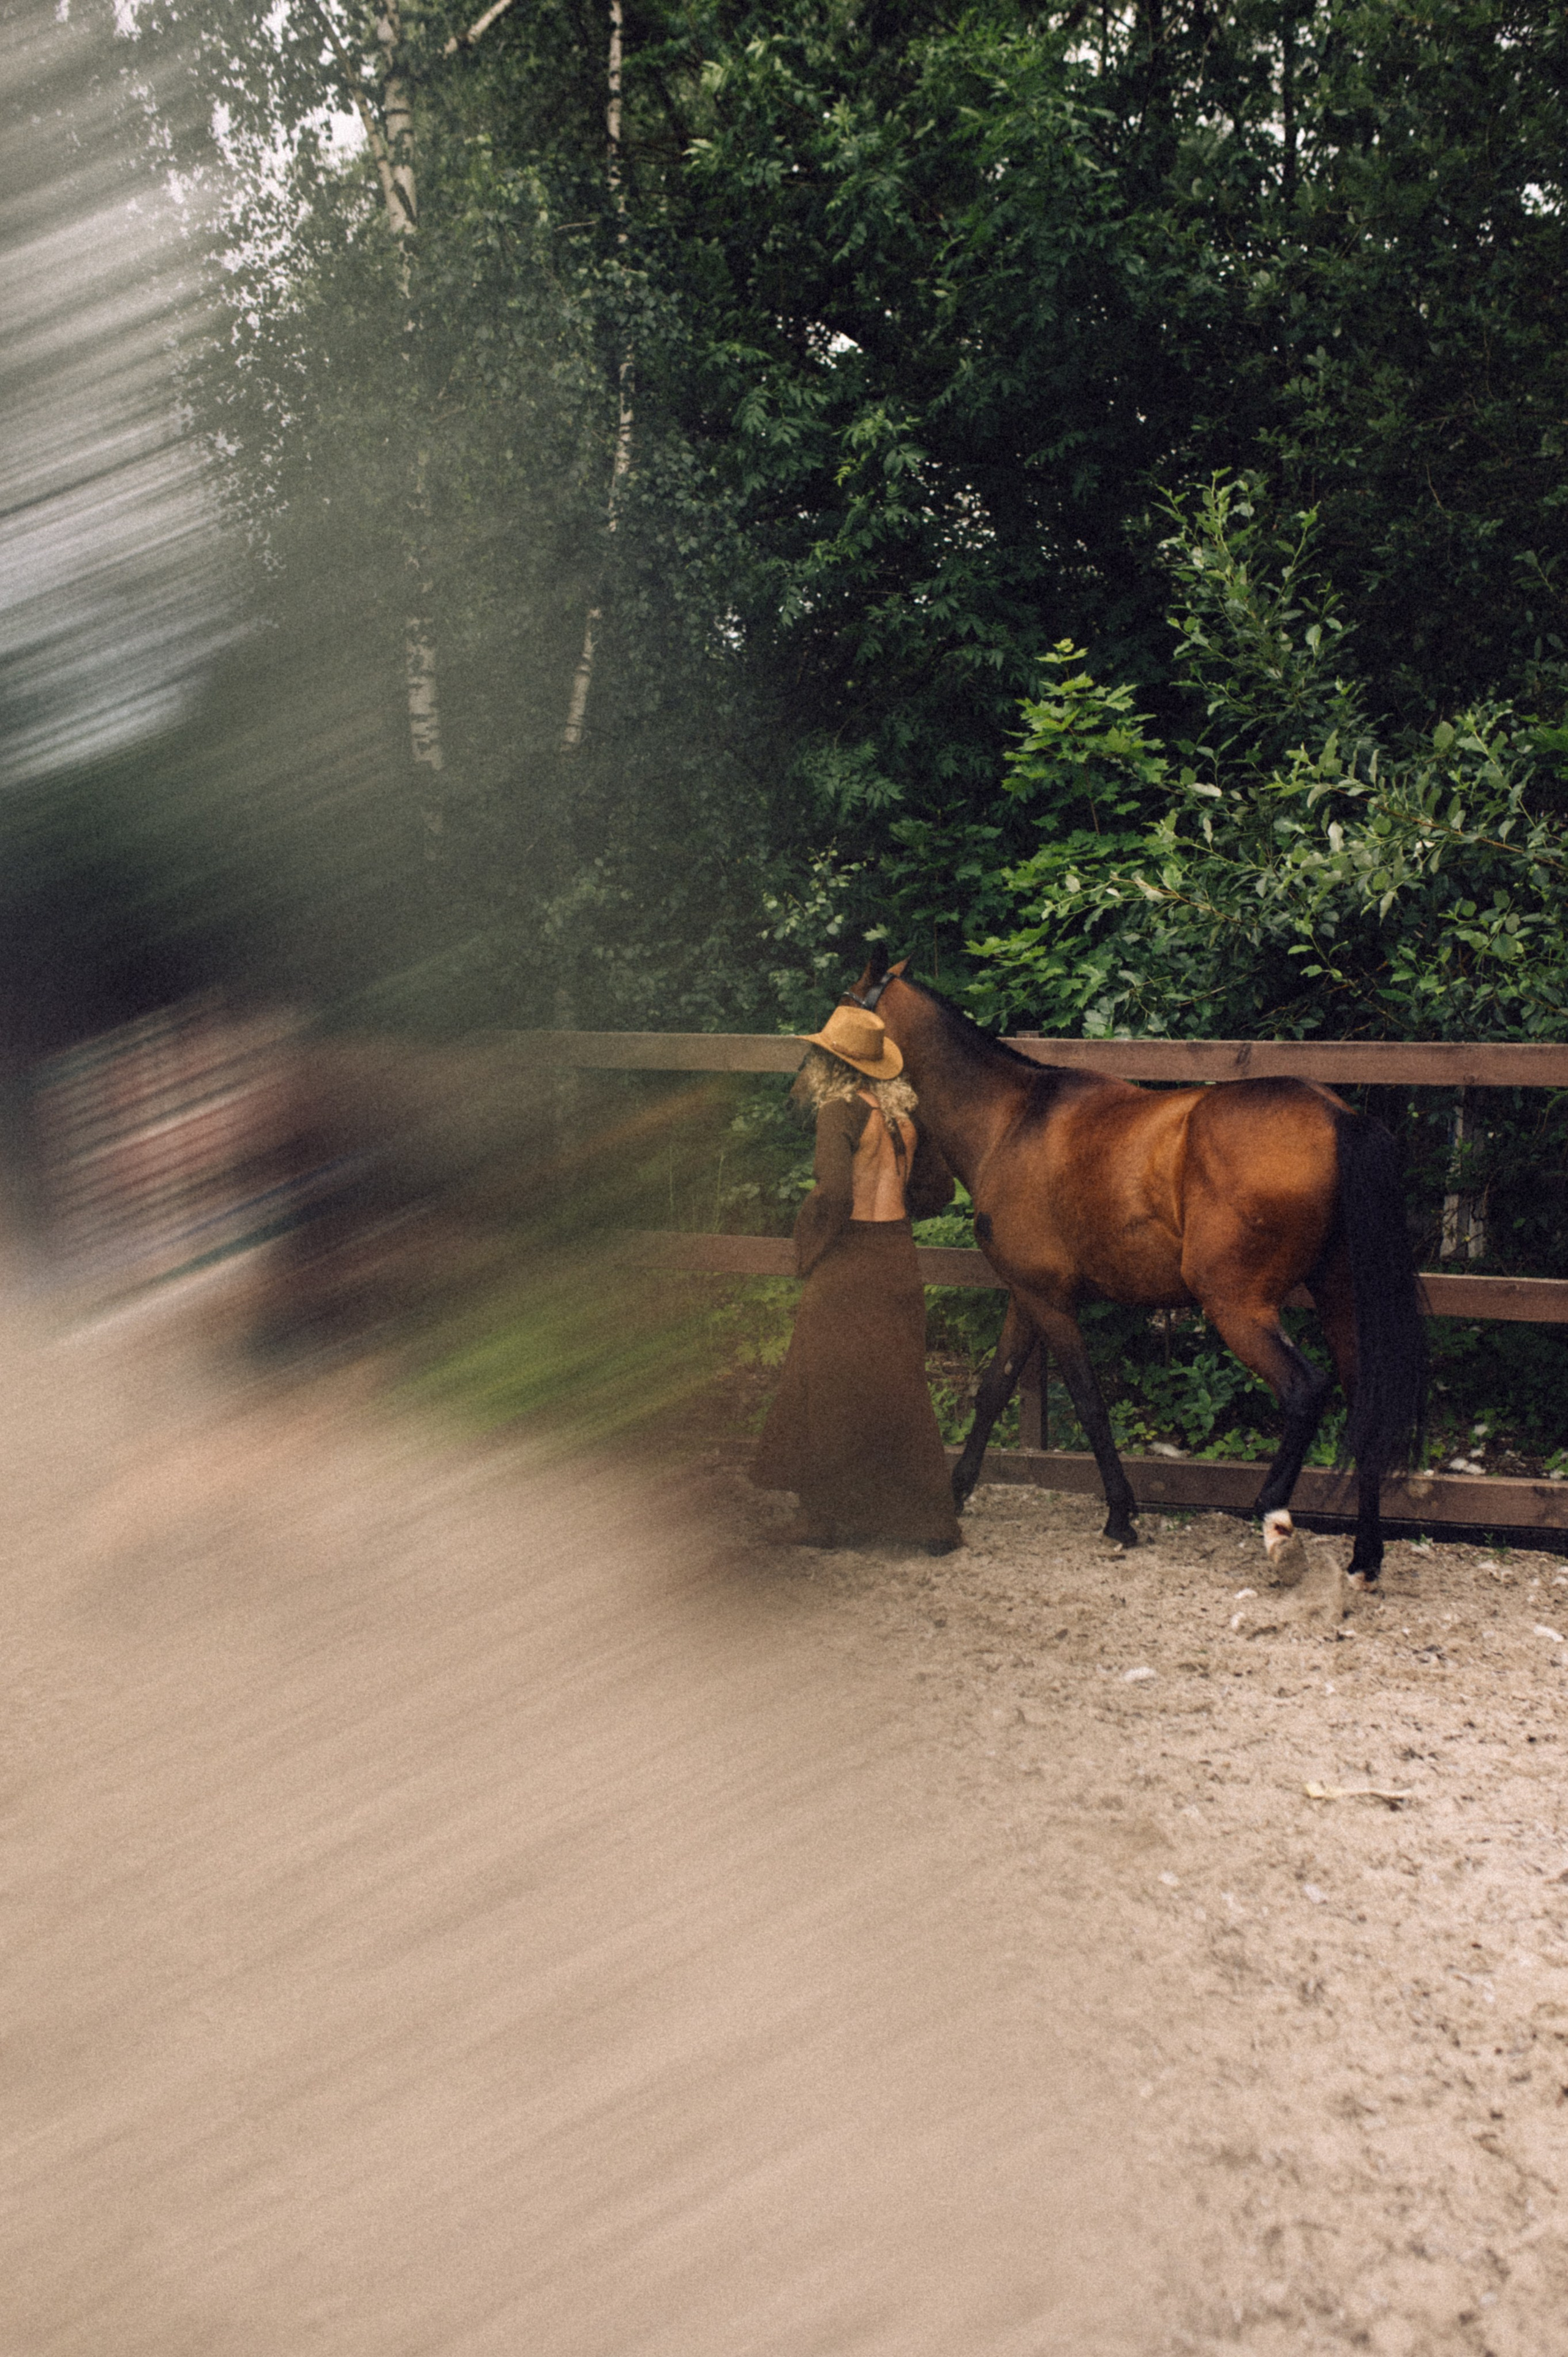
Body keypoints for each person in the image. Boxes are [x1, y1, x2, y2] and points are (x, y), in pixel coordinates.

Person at [752, 1003, 962, 1553]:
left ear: (831, 1061)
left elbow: (834, 1193)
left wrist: (810, 1248)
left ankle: (822, 1519)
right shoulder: (905, 1118)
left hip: (850, 1261)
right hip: (898, 1257)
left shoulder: (840, 1110)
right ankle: (931, 1524)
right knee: (900, 1389)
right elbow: (938, 1193)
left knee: (823, 1383)